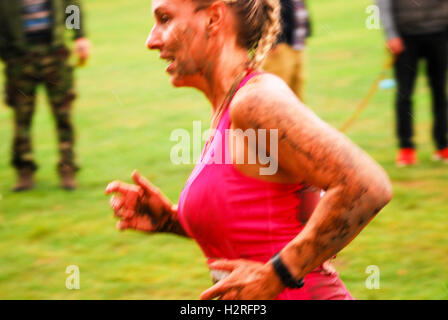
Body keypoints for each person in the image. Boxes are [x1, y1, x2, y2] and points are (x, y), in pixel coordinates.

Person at [105, 0, 392, 300]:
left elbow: (368, 185)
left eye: (165, 19)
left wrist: (278, 274)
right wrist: (170, 220)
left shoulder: (255, 102)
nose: (152, 40)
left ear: (214, 18)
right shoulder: (230, 107)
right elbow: (262, 223)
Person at [0, 0, 91, 191]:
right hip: (19, 59)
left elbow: (71, 7)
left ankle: (68, 168)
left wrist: (78, 36)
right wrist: (7, 53)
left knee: (63, 115)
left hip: (55, 55)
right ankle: (24, 170)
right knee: (22, 118)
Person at [377, 0, 448, 166]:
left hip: (439, 32)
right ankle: (406, 148)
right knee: (404, 94)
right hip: (405, 37)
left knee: (440, 92)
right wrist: (391, 34)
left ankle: (442, 145)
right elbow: (383, 4)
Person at [263, 0, 311, 102]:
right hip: (280, 47)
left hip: (297, 44)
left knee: (297, 92)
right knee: (278, 93)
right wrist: (273, 41)